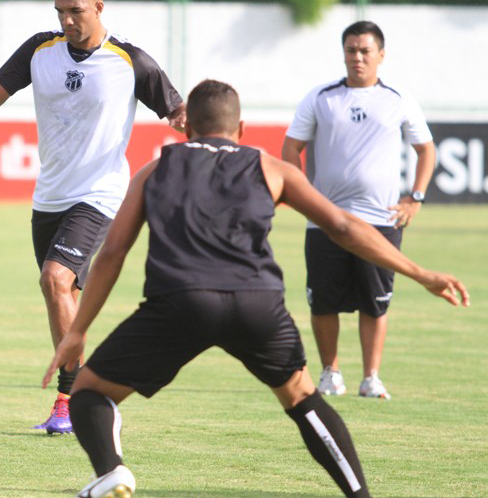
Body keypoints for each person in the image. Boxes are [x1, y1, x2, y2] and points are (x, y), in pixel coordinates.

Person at [43, 80, 468, 498]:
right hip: (257, 305)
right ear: (241, 129)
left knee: (90, 392)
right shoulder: (270, 167)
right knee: (303, 399)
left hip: (179, 303)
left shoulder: (155, 169)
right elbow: (341, 226)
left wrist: (78, 329)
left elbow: (114, 252)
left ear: (187, 128)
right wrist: (420, 273)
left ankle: (112, 472)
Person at [0, 0, 185, 433]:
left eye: (76, 11)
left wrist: (190, 122)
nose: (67, 20)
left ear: (99, 7)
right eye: (60, 11)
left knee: (55, 279)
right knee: (62, 296)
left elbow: (177, 109)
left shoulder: (130, 61)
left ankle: (74, 400)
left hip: (100, 195)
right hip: (49, 198)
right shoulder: (39, 50)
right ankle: (88, 399)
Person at [281, 21, 437, 399]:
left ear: (381, 55)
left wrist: (413, 198)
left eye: (365, 50)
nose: (358, 57)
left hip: (381, 220)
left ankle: (371, 377)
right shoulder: (321, 97)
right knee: (323, 301)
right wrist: (306, 198)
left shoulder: (399, 98)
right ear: (344, 54)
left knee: (375, 301)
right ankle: (330, 373)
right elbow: (290, 149)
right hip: (326, 221)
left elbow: (426, 149)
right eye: (351, 50)